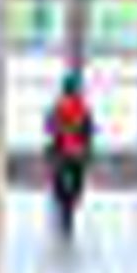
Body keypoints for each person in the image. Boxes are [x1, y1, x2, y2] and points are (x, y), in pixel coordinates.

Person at [41, 69, 97, 237]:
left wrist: (60, 131)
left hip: (62, 152)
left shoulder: (58, 107)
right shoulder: (83, 108)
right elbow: (89, 132)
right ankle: (68, 211)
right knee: (77, 185)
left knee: (59, 183)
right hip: (77, 153)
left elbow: (48, 128)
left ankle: (65, 210)